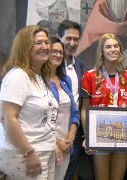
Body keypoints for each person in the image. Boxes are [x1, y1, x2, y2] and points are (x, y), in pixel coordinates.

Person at [0, 25, 58, 179]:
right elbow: (7, 118)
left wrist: (52, 145)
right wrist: (28, 153)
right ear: (25, 47)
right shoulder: (18, 76)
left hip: (42, 152)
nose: (45, 47)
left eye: (46, 42)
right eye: (38, 43)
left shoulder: (39, 77)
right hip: (22, 154)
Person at [81, 33, 127, 180]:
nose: (113, 49)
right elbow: (84, 109)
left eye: (116, 46)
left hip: (123, 135)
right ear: (102, 51)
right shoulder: (90, 76)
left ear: (120, 50)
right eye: (108, 47)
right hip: (99, 135)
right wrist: (88, 136)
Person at [56, 19, 86, 180]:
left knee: (69, 172)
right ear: (58, 37)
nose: (72, 43)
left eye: (76, 39)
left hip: (74, 131)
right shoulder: (50, 66)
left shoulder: (80, 66)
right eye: (68, 38)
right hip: (53, 130)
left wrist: (73, 134)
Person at [48, 37, 80, 180]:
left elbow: (75, 112)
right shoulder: (38, 80)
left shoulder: (65, 80)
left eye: (60, 52)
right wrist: (56, 141)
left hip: (66, 145)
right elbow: (39, 117)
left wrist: (70, 139)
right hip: (48, 145)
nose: (58, 55)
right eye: (54, 51)